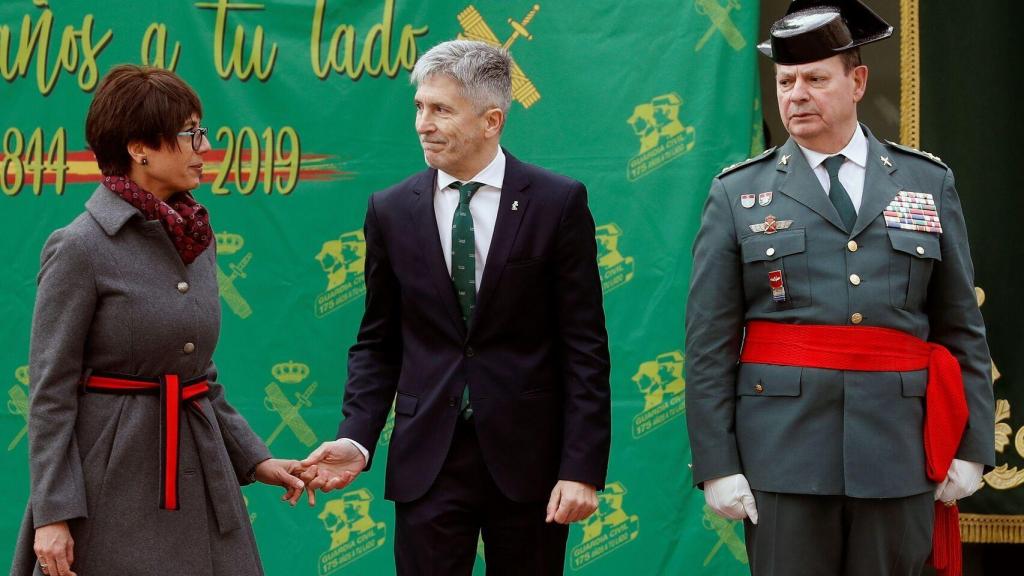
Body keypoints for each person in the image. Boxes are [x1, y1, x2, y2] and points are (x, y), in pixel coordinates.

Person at [684, 1, 994, 575]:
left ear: (857, 82)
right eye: (785, 81)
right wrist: (717, 463)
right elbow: (708, 342)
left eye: (814, 79)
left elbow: (959, 327)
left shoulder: (927, 181)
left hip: (897, 451)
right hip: (782, 454)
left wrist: (971, 447)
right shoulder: (737, 193)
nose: (796, 93)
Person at [299, 40, 611, 574]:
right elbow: (378, 342)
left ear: (492, 120)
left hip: (529, 465)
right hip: (428, 462)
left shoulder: (557, 203)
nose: (423, 123)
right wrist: (356, 436)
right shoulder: (391, 210)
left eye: (441, 109)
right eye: (420, 107)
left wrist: (581, 468)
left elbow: (584, 347)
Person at [10, 64, 307, 576]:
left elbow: (198, 378)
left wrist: (257, 460)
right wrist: (54, 514)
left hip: (201, 474)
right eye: (189, 133)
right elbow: (50, 394)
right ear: (138, 147)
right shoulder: (79, 247)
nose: (204, 145)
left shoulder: (195, 236)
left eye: (202, 130)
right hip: (110, 487)